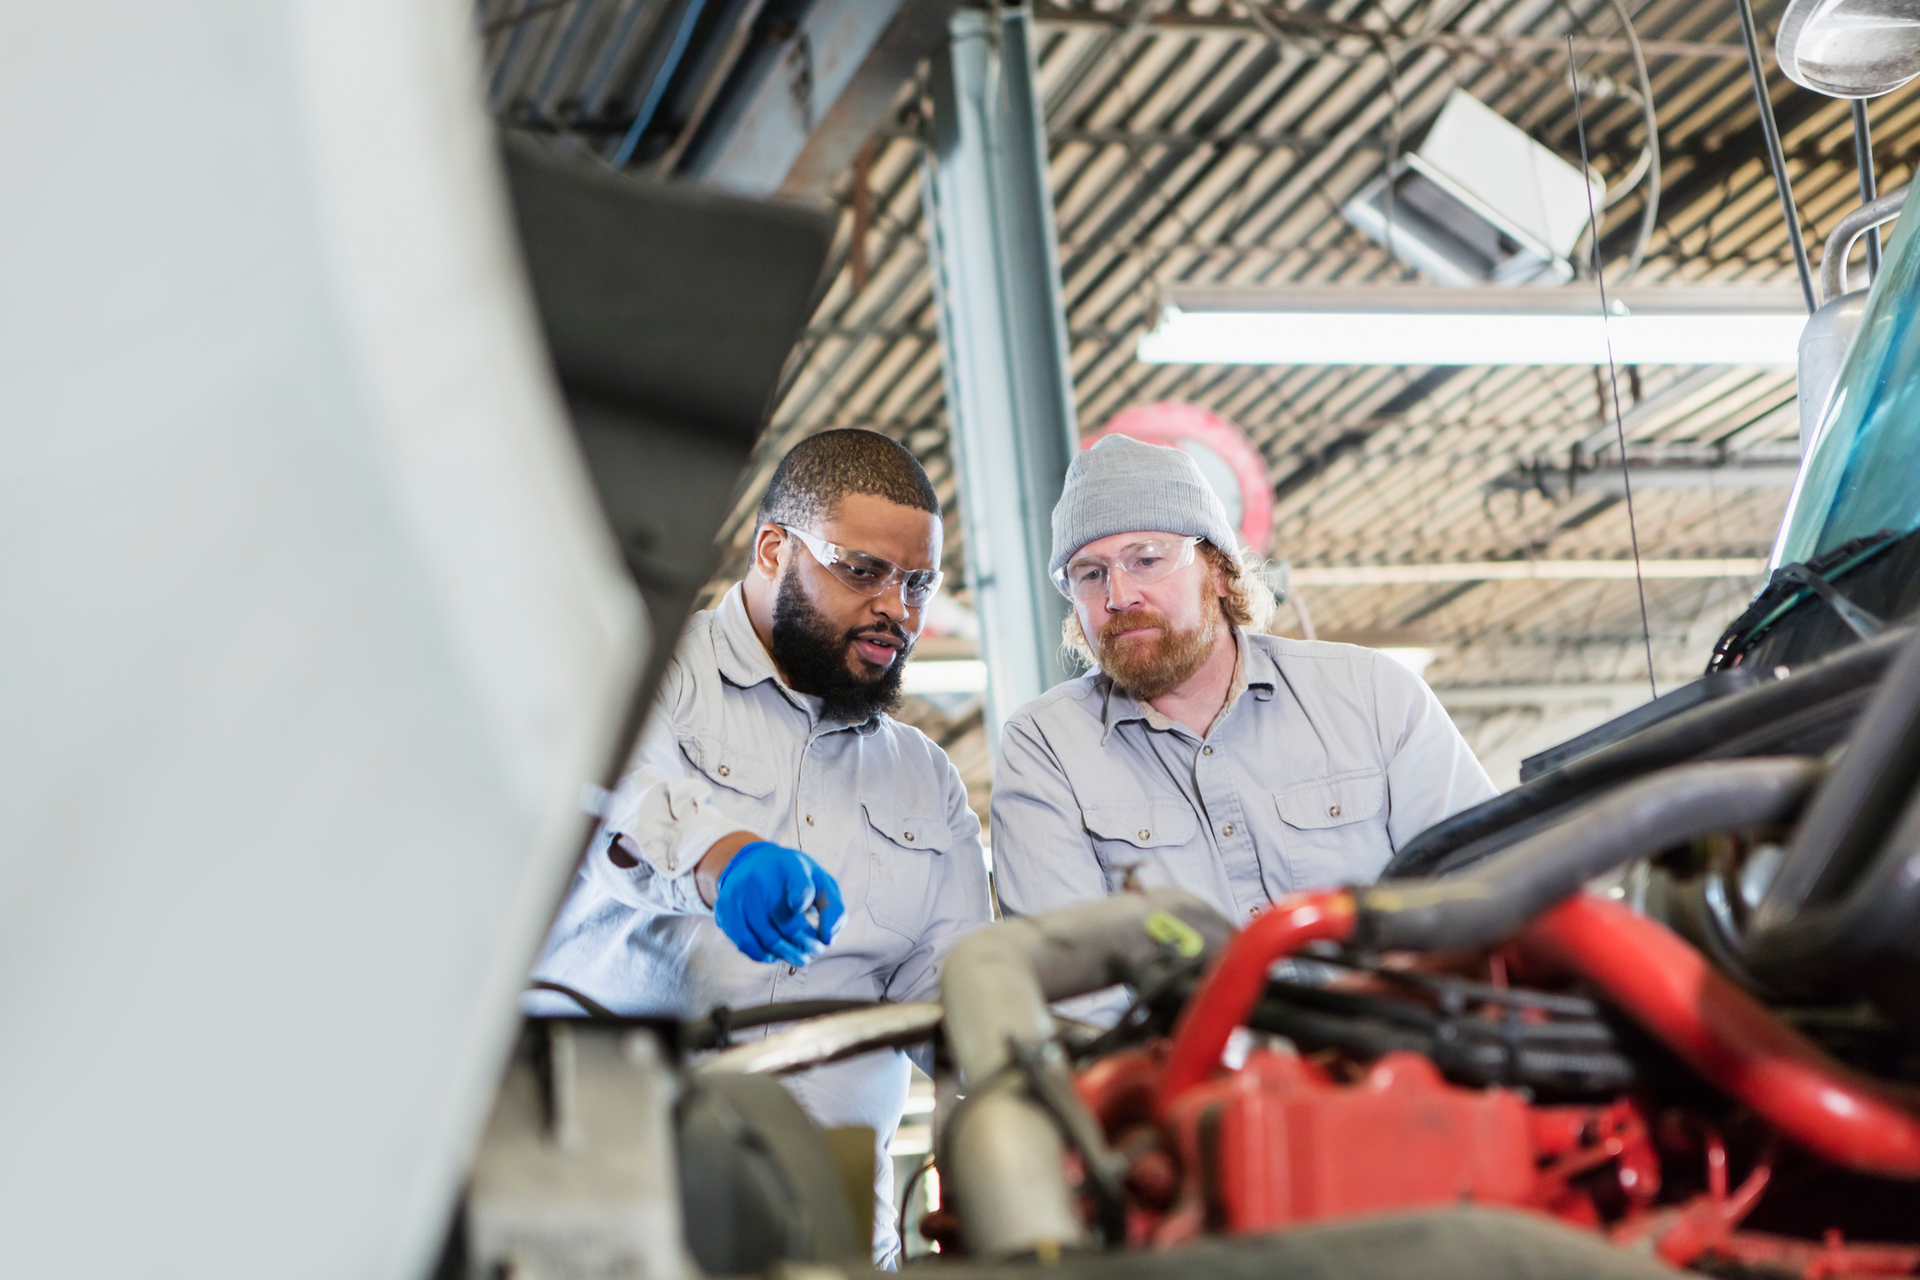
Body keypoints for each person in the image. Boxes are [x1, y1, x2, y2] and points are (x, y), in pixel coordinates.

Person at [526, 429, 991, 1264]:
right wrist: (725, 856)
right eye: (864, 571)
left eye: (918, 582)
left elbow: (952, 1004)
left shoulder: (925, 782)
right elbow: (620, 798)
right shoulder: (648, 669)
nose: (898, 609)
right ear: (775, 549)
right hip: (612, 1223)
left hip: (830, 1237)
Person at [991, 433, 1496, 936]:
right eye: (1090, 574)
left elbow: (1486, 887)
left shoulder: (1372, 695)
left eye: (1146, 560)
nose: (1118, 595)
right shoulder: (1046, 748)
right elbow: (1069, 967)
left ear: (1218, 570)